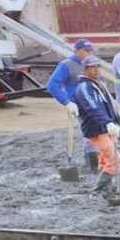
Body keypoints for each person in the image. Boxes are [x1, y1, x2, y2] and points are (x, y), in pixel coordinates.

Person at [73, 55, 120, 194]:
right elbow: (92, 108)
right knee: (116, 161)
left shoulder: (98, 85)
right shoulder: (84, 88)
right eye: (92, 67)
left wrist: (114, 122)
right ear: (85, 69)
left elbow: (108, 106)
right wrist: (108, 123)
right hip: (96, 130)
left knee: (105, 162)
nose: (96, 70)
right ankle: (98, 190)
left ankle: (106, 191)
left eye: (98, 66)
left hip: (104, 129)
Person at [47, 38, 98, 171]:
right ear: (77, 50)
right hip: (79, 105)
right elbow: (52, 85)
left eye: (90, 50)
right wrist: (67, 102)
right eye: (86, 51)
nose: (89, 53)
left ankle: (95, 162)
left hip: (94, 103)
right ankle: (92, 164)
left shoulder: (92, 64)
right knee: (91, 132)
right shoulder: (67, 65)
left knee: (98, 131)